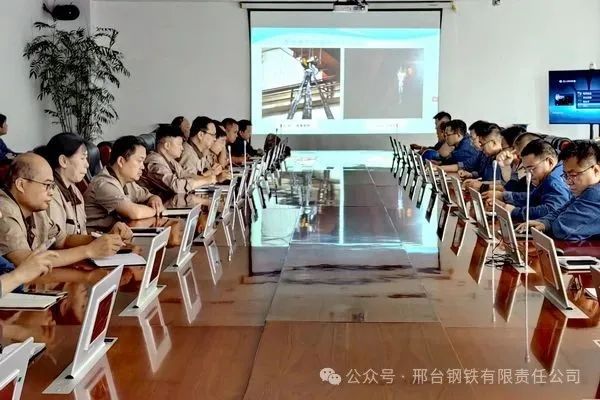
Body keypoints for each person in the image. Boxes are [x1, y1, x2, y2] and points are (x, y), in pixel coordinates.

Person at [0, 153, 124, 268]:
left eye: (52, 186)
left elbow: (63, 240)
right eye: (47, 185)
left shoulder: (36, 209)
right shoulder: (4, 211)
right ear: (21, 185)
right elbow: (25, 261)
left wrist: (103, 238)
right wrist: (88, 251)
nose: (51, 192)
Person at [35, 133, 132, 239]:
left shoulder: (75, 191)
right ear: (63, 161)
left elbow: (82, 236)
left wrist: (109, 235)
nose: (87, 164)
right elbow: (58, 243)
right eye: (82, 158)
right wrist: (103, 240)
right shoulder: (50, 195)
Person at [518, 141, 600, 241]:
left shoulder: (595, 194)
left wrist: (547, 224)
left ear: (596, 170)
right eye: (565, 175)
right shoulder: (584, 190)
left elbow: (561, 229)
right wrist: (544, 223)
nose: (568, 182)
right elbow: (562, 210)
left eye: (573, 175)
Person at [84, 136, 164, 231]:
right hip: (96, 238)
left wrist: (155, 200)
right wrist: (156, 210)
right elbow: (135, 213)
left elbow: (149, 196)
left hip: (115, 235)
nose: (142, 167)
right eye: (139, 161)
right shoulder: (103, 184)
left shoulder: (126, 181)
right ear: (121, 161)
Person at [489, 140, 571, 221]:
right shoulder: (553, 173)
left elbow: (549, 211)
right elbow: (533, 197)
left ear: (549, 162)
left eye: (531, 169)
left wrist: (513, 211)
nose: (529, 174)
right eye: (526, 170)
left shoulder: (554, 181)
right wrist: (504, 197)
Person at [141, 125, 216, 198]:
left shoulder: (171, 161)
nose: (182, 148)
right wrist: (205, 180)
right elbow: (176, 186)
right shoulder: (154, 163)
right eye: (179, 144)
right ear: (167, 146)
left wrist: (206, 179)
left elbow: (184, 174)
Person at [462, 123, 507, 190]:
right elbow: (485, 176)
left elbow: (505, 185)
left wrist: (482, 185)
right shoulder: (488, 156)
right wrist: (475, 180)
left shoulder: (505, 159)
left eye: (482, 144)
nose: (481, 147)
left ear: (493, 143)